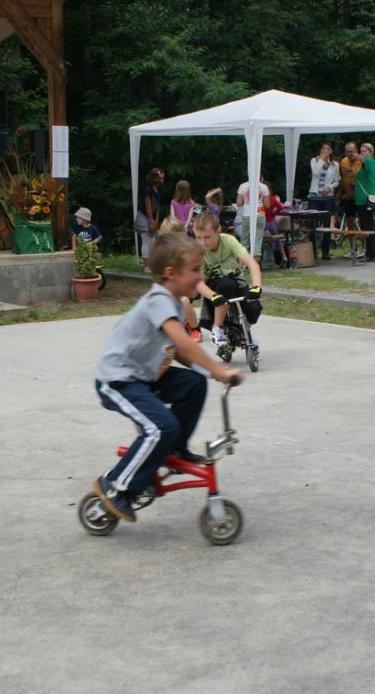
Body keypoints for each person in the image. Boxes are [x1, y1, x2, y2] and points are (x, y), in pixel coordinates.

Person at [91, 232, 243, 523]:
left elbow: (177, 350)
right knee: (160, 427)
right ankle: (116, 486)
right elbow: (184, 341)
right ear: (171, 273)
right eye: (195, 270)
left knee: (193, 384)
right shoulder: (158, 300)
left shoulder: (173, 303)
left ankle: (175, 448)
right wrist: (219, 370)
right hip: (118, 381)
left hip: (145, 376)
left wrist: (207, 373)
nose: (201, 277)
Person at [191, 211, 263, 348]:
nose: (203, 242)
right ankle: (217, 328)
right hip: (213, 285)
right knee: (226, 285)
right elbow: (198, 282)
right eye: (198, 237)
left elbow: (252, 263)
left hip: (235, 281)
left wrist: (256, 287)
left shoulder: (228, 241)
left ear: (218, 231)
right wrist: (213, 296)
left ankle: (245, 330)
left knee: (255, 307)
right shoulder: (198, 251)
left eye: (207, 237)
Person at [157, 216, 202, 341]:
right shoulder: (162, 253)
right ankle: (177, 325)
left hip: (187, 285)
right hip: (170, 287)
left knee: (184, 301)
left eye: (179, 237)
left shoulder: (187, 252)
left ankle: (195, 329)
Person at [307, 142, 341, 261]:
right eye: (323, 148)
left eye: (328, 148)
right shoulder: (314, 161)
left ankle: (325, 251)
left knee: (327, 224)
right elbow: (316, 172)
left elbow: (336, 181)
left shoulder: (335, 165)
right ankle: (313, 252)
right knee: (313, 224)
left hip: (327, 197)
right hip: (314, 196)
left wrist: (330, 187)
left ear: (331, 151)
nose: (325, 150)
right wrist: (321, 159)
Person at [353, 143, 375, 262]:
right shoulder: (363, 164)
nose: (362, 153)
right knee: (365, 225)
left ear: (370, 152)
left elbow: (364, 161)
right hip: (362, 198)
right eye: (361, 151)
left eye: (365, 151)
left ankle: (371, 252)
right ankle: (368, 250)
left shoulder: (370, 161)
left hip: (366, 198)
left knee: (368, 225)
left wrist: (356, 155)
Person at [338, 141, 362, 257]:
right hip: (349, 197)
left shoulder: (361, 162)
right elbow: (342, 179)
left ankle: (364, 249)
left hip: (360, 197)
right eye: (347, 151)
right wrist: (339, 192)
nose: (349, 154)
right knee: (350, 223)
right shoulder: (343, 162)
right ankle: (353, 249)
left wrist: (353, 173)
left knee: (362, 223)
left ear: (356, 151)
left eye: (351, 151)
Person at [137, 167, 166, 264]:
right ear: (153, 178)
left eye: (162, 178)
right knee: (146, 240)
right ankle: (146, 263)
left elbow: (157, 206)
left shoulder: (158, 190)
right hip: (144, 218)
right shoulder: (148, 190)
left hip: (152, 218)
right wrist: (151, 221)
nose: (161, 180)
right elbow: (148, 206)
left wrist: (156, 220)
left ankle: (151, 262)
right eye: (160, 178)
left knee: (153, 241)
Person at [234, 176, 268, 253]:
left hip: (246, 215)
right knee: (257, 243)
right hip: (260, 214)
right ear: (261, 177)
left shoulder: (243, 186)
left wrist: (246, 202)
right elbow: (267, 205)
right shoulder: (264, 187)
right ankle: (255, 260)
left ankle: (244, 260)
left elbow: (239, 203)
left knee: (244, 243)